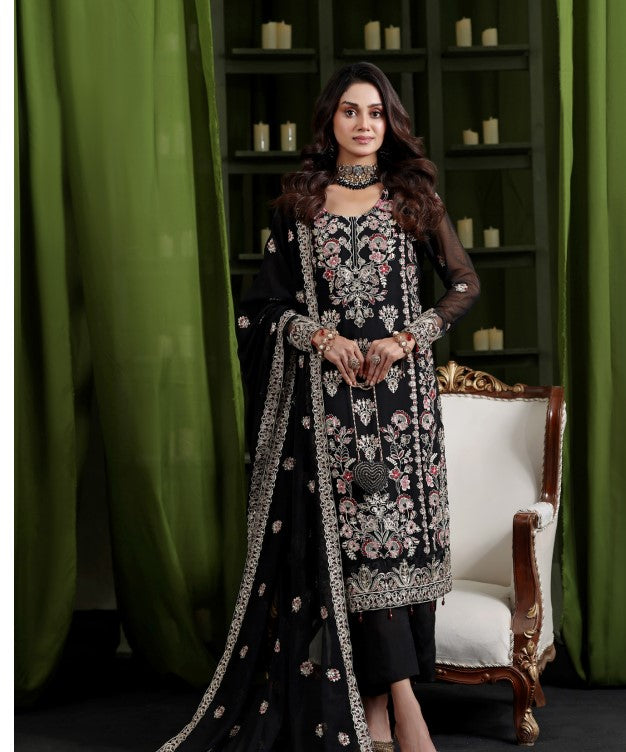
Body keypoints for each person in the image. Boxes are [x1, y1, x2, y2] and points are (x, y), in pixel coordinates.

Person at [158, 62, 479, 752]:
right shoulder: (299, 205)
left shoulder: (413, 197)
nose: (364, 124)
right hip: (326, 411)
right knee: (355, 556)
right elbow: (262, 309)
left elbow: (462, 284)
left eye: (375, 113)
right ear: (329, 120)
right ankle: (404, 709)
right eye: (350, 111)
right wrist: (321, 338)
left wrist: (405, 339)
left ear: (390, 123)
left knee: (392, 550)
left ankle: (381, 709)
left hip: (400, 409)